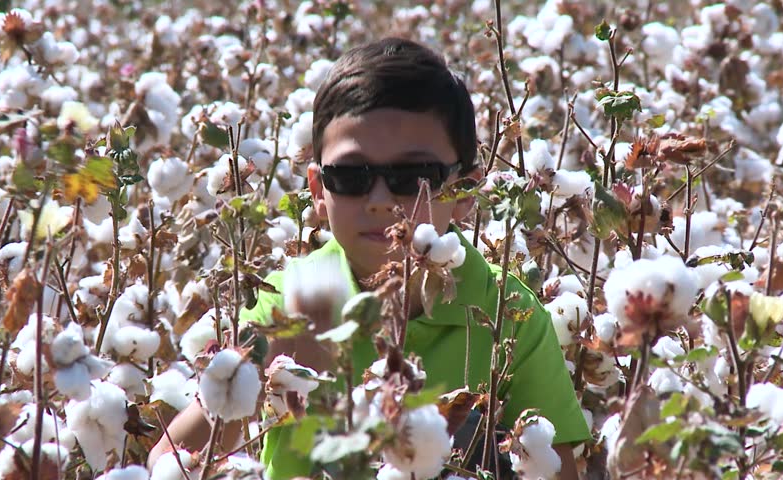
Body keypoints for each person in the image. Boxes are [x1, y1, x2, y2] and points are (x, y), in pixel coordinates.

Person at [149, 37, 590, 479]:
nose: (380, 199)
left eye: (413, 176)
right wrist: (260, 370)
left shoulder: (507, 314)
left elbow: (558, 473)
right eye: (351, 176)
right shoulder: (286, 308)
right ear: (319, 191)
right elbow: (169, 462)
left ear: (466, 192)